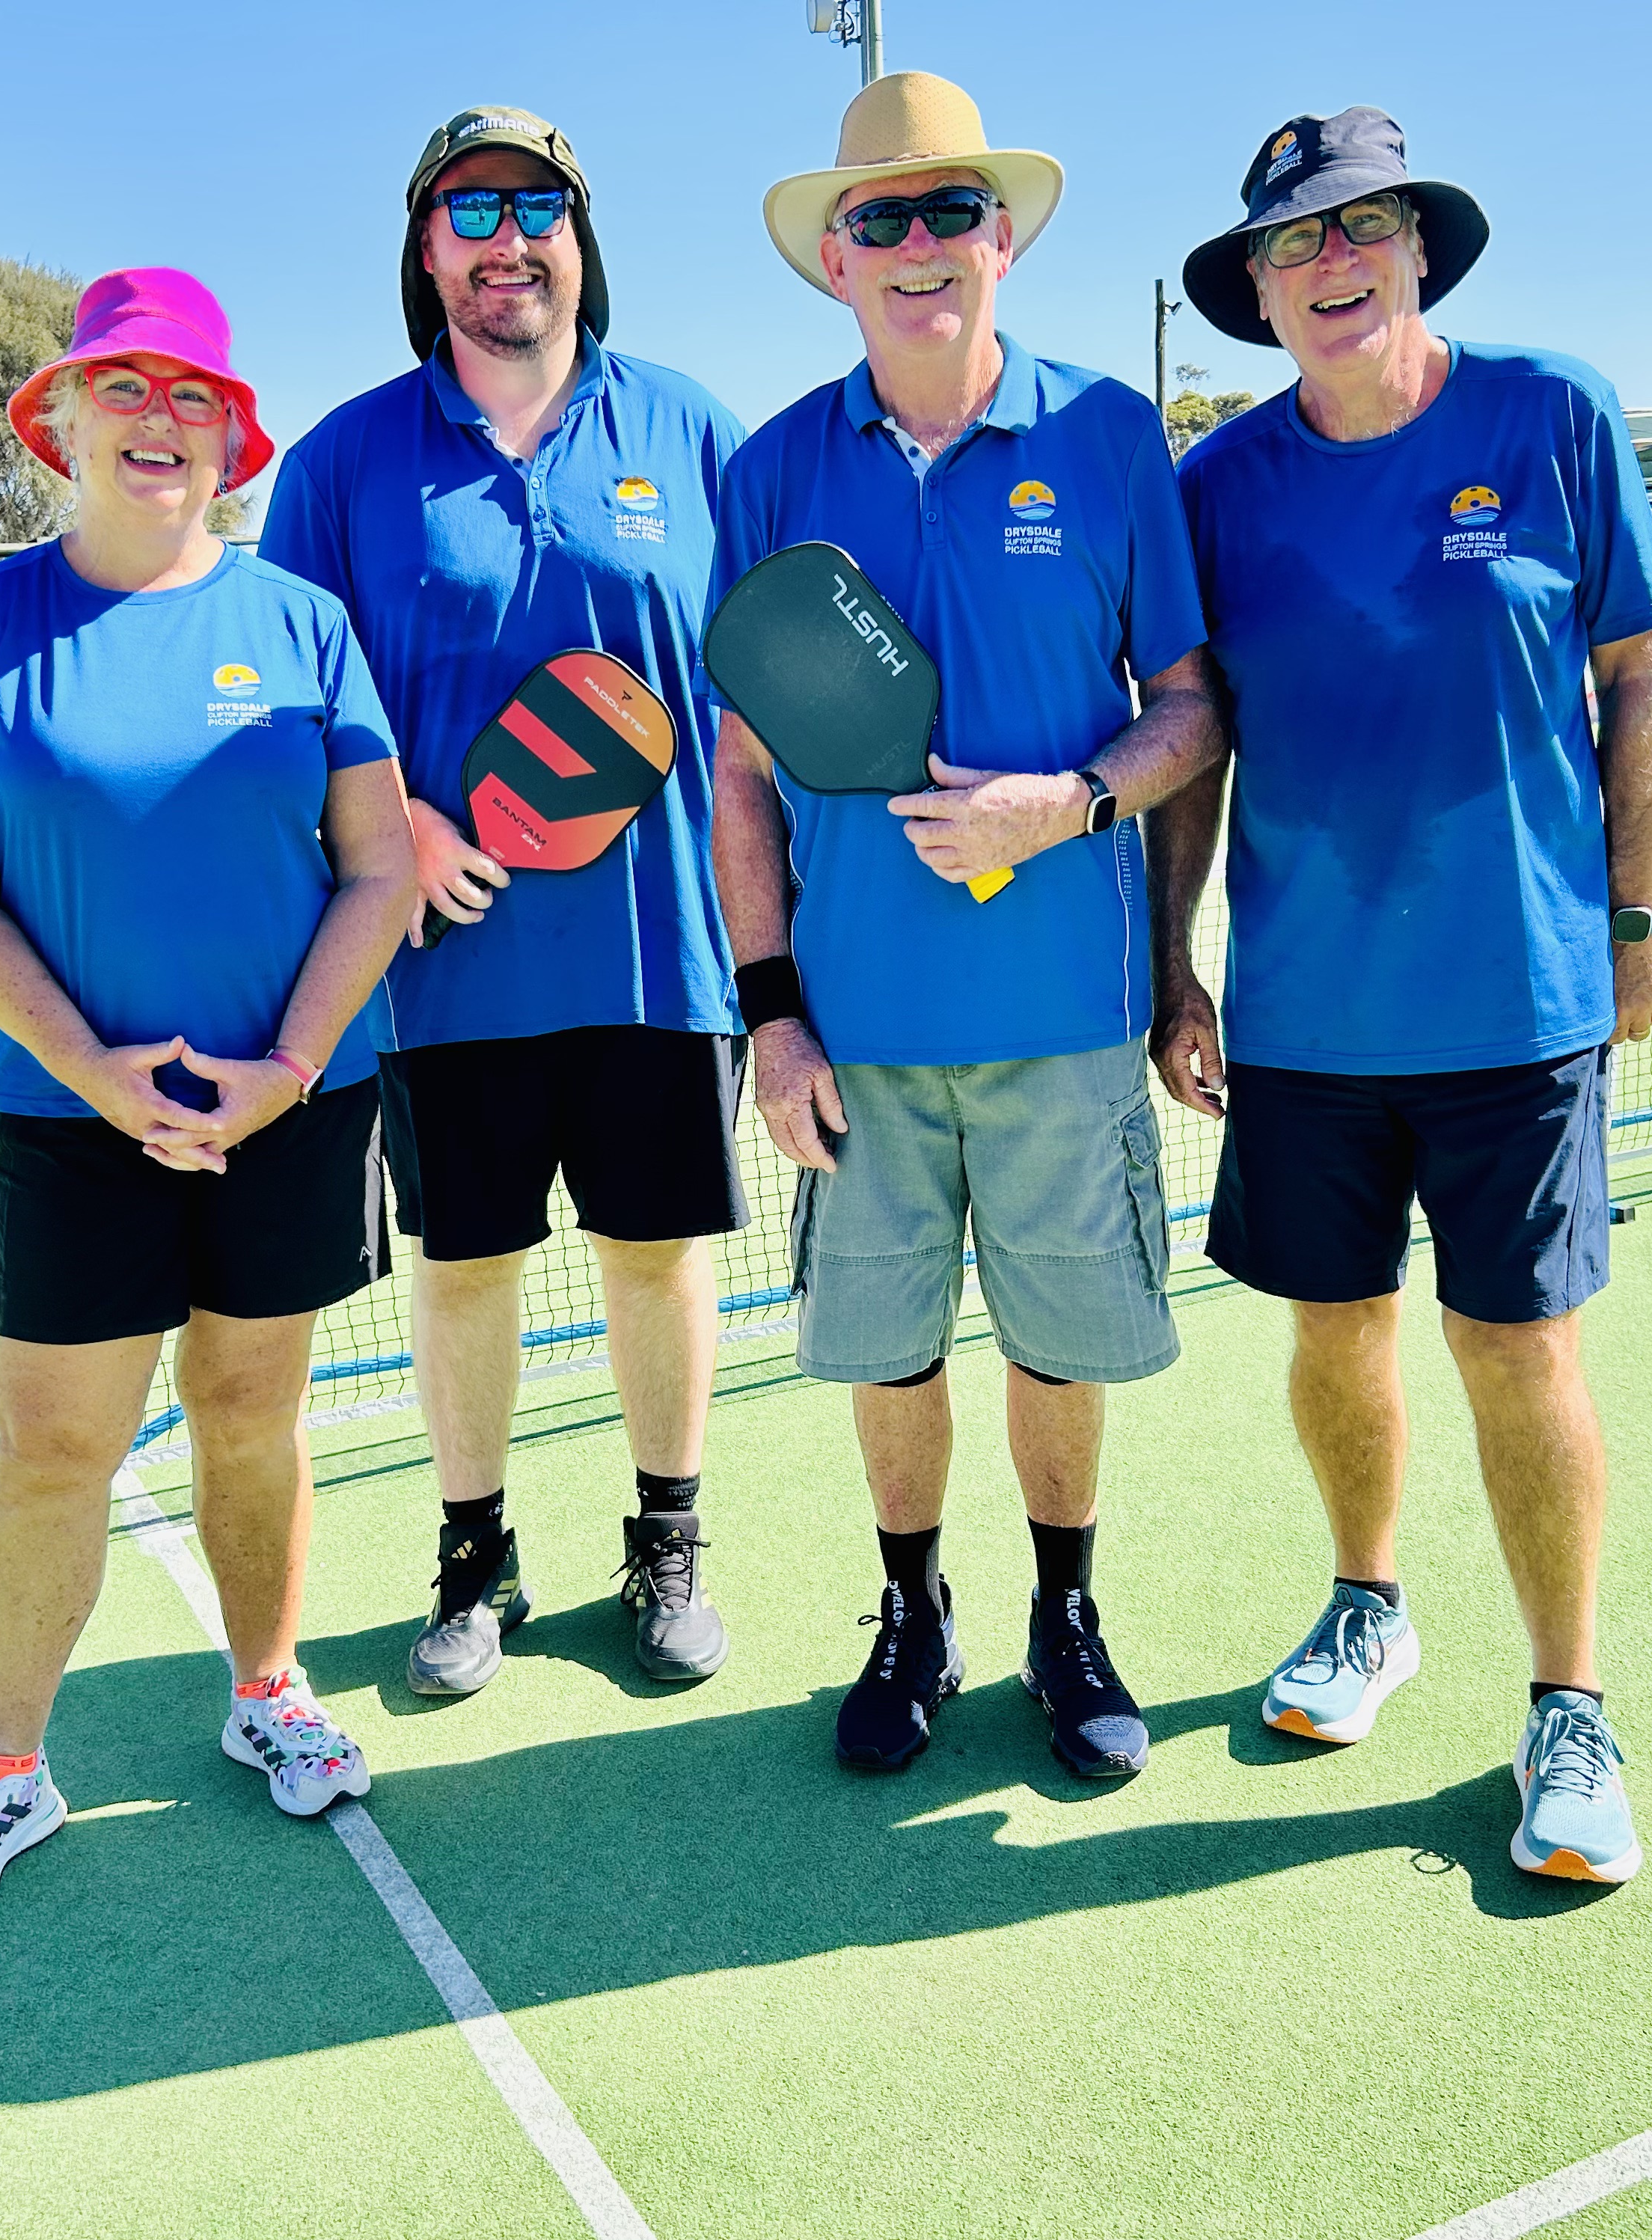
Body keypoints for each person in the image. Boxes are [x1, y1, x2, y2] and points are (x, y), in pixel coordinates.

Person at [1154, 110, 1652, 1883]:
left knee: (1517, 1351)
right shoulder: (1218, 488)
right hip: (1302, 1017)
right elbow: (1200, 732)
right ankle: (1367, 1607)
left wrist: (1631, 924)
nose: (1328, 266)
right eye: (1292, 245)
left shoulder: (1550, 414)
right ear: (1256, 289)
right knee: (1333, 1336)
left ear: (1419, 250)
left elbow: (1640, 679)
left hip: (1520, 1006)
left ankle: (1567, 1705)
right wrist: (1173, 964)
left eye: (1358, 228)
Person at [0, 269, 416, 1920]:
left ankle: (268, 1692)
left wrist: (287, 1072)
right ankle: (1, 1773)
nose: (161, 420)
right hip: (75, 1122)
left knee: (255, 1415)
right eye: (127, 386)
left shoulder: (298, 622)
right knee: (55, 1451)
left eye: (195, 395)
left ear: (230, 437)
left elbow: (380, 862)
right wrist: (93, 1074)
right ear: (62, 418)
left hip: (287, 1109)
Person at [710, 75, 1223, 1778]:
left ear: (1002, 239)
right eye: (881, 219)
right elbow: (739, 774)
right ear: (833, 262)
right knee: (890, 1355)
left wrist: (1058, 805)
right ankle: (911, 1612)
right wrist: (772, 1012)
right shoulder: (772, 466)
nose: (919, 247)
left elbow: (1189, 706)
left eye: (949, 214)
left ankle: (1060, 1616)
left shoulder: (1107, 441)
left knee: (1061, 1354)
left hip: (1065, 1016)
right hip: (858, 1034)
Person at [260, 110, 750, 1695]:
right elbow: (292, 695)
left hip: (660, 955)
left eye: (537, 205)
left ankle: (665, 1548)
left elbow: (759, 693)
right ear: (425, 252)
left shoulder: (689, 431)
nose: (505, 237)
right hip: (439, 968)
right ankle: (476, 1559)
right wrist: (393, 815)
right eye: (468, 211)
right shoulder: (342, 462)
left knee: (656, 1256)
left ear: (580, 238)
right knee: (461, 1269)